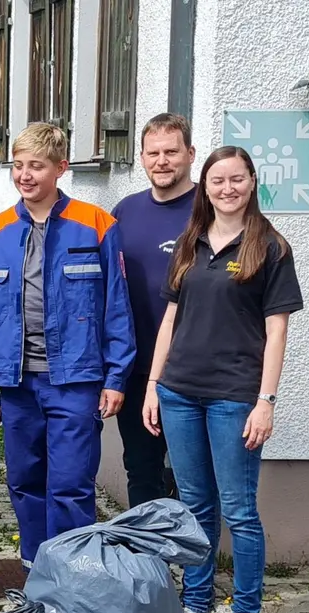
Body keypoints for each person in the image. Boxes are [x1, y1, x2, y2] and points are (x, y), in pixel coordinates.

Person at [143, 145, 302, 613]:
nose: (227, 188)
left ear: (253, 183)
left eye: (237, 179)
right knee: (195, 508)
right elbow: (170, 318)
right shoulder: (189, 242)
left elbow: (276, 332)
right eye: (217, 180)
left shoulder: (270, 247)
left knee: (239, 510)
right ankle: (196, 609)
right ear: (205, 187)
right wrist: (153, 383)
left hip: (236, 398)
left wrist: (266, 401)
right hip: (180, 392)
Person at [0, 123, 135, 572]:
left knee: (70, 483)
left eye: (36, 166)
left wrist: (115, 377)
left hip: (75, 380)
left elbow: (117, 307)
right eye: (18, 165)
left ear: (61, 168)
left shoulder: (96, 225)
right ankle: (35, 571)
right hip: (16, 381)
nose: (25, 175)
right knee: (25, 482)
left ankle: (73, 577)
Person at [112, 113, 198, 506]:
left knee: (193, 474)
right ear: (142, 158)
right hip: (137, 366)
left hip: (193, 370)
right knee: (141, 469)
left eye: (171, 152)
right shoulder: (124, 212)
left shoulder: (210, 210)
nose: (161, 161)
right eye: (153, 153)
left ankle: (193, 564)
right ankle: (147, 561)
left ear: (190, 154)